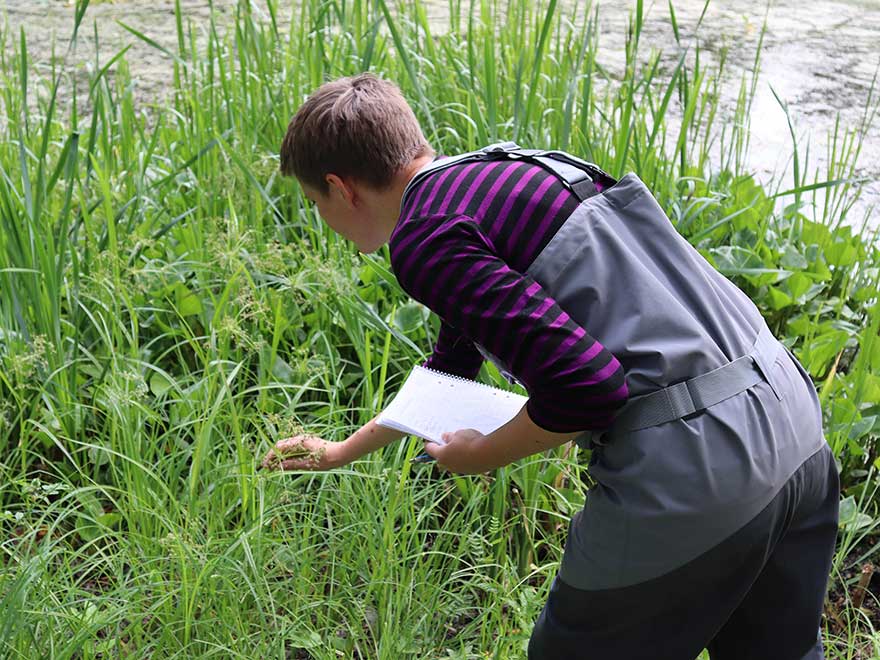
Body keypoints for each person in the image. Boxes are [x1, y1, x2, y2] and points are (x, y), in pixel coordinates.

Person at [262, 72, 839, 660]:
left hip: (701, 467)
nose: (323, 217)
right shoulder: (507, 173)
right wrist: (342, 450)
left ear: (342, 188)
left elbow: (588, 388)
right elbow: (452, 365)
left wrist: (480, 455)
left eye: (316, 203)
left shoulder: (424, 239)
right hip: (792, 421)